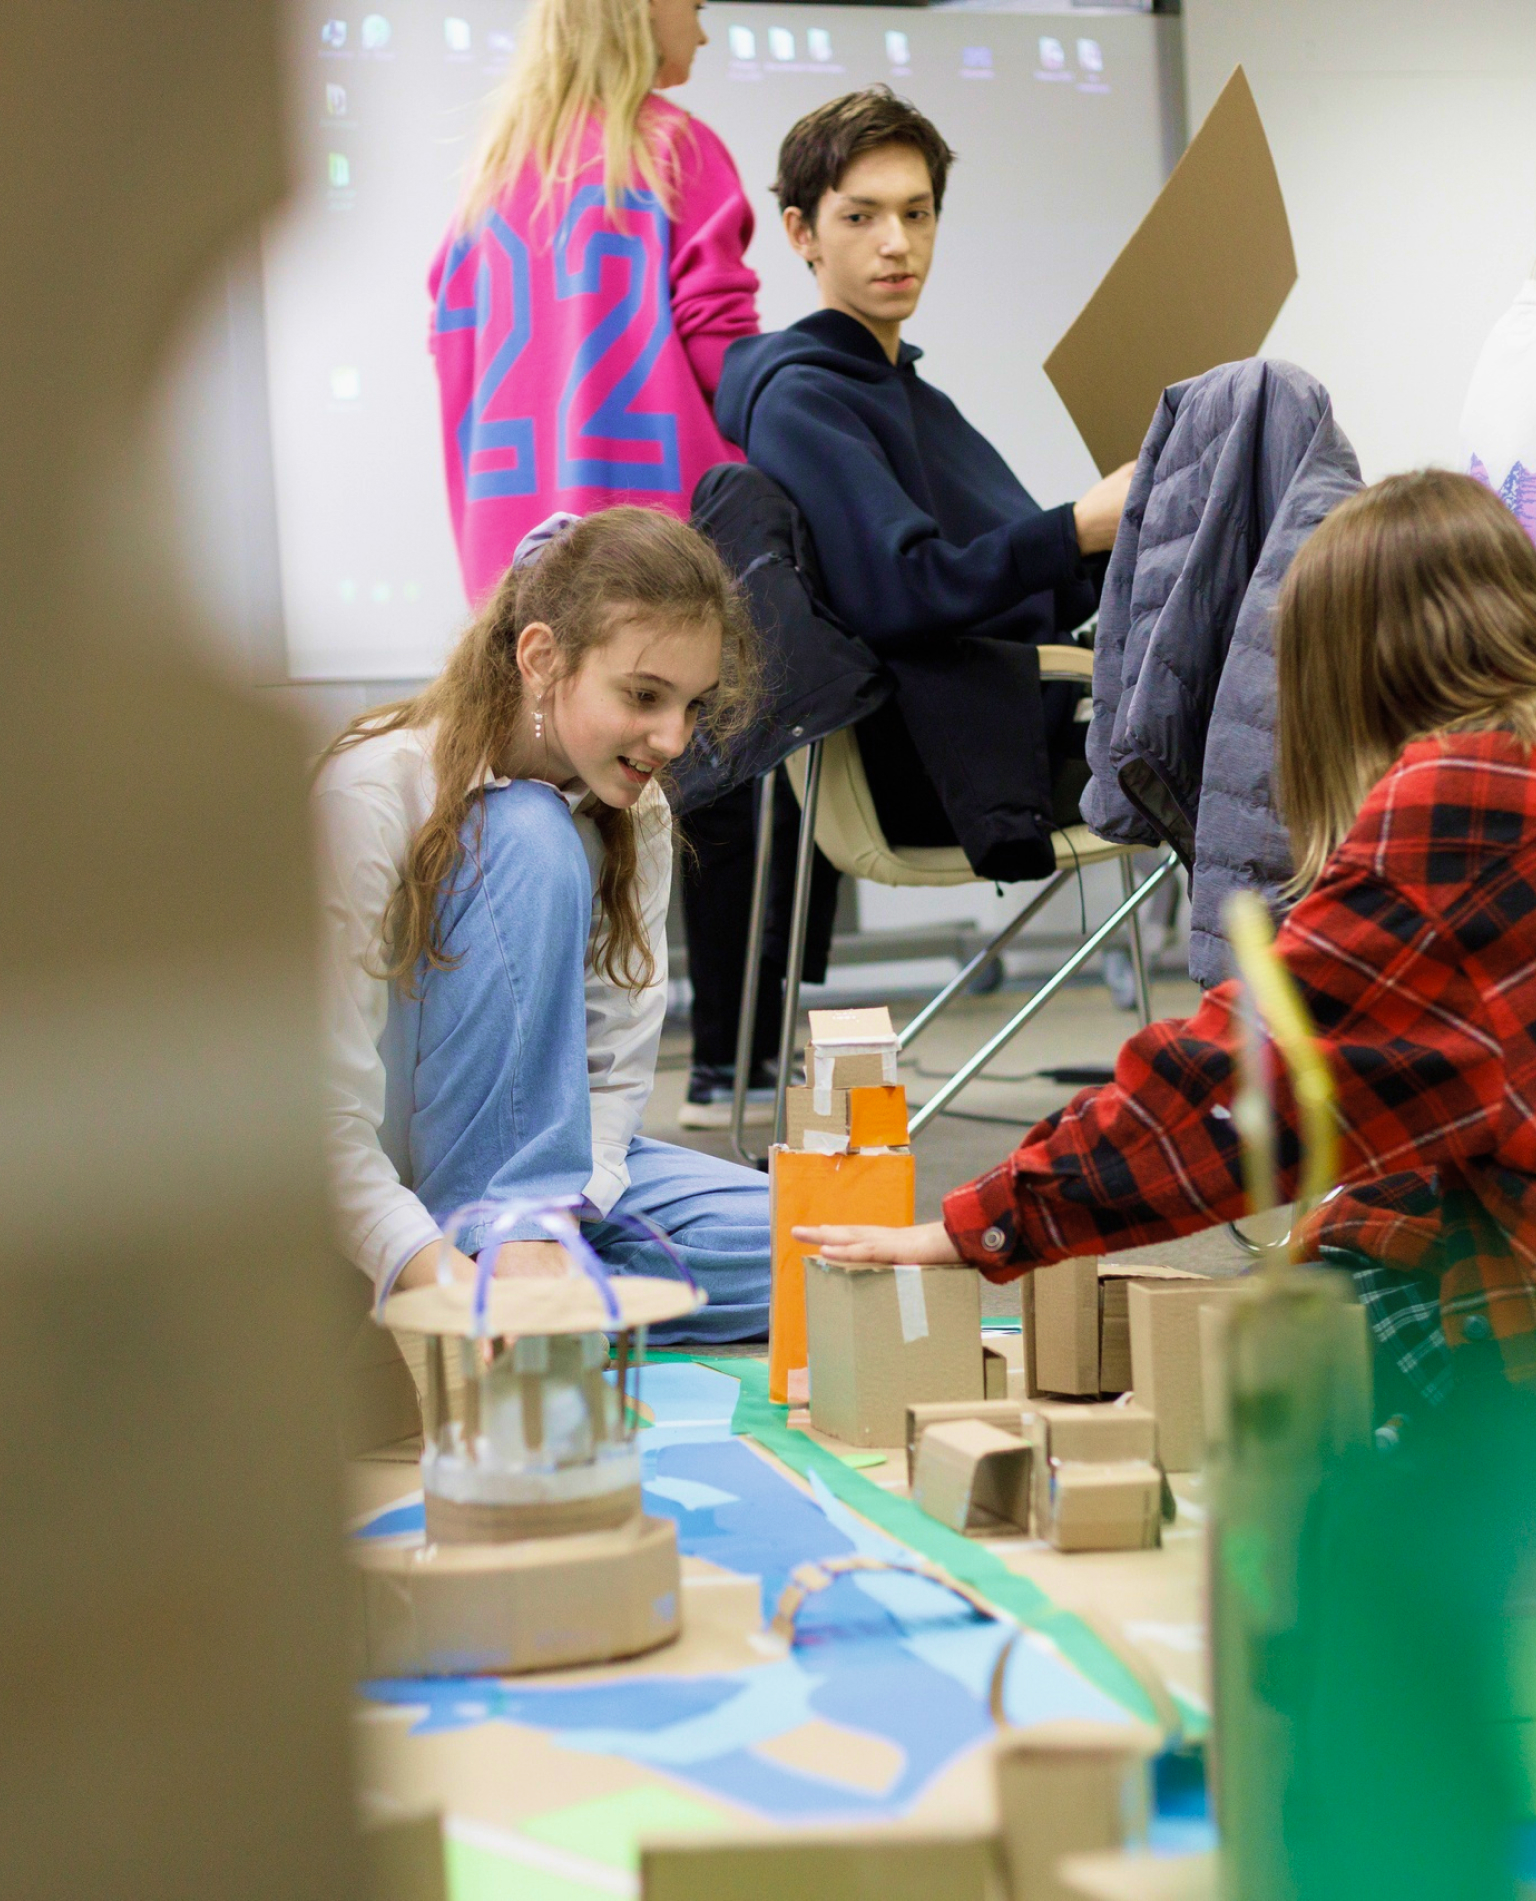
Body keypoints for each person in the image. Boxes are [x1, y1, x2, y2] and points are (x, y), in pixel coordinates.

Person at [798, 471, 1536, 1403]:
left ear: (1343, 674)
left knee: (1298, 1359)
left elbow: (1232, 1089)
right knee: (1359, 1223)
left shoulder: (1458, 807)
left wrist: (983, 1222)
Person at [314, 508, 771, 1341]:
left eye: (693, 705)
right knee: (529, 828)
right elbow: (316, 1125)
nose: (674, 738)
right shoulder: (370, 797)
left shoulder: (638, 811)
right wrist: (435, 1260)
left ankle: (533, 1288)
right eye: (644, 695)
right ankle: (492, 1268)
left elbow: (613, 1080)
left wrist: (557, 1219)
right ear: (540, 658)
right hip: (379, 1199)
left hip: (550, 1185)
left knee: (820, 1245)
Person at [713, 87, 1134, 862]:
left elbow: (1031, 594)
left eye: (917, 213)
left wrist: (1125, 529)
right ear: (801, 233)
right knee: (1249, 742)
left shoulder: (909, 394)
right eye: (860, 216)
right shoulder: (803, 400)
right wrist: (1077, 528)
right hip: (957, 762)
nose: (896, 243)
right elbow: (904, 592)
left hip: (1019, 723)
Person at [427, 0, 758, 607]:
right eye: (696, 6)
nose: (703, 33)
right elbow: (728, 365)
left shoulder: (488, 181)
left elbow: (455, 375)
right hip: (665, 565)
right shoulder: (675, 147)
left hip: (510, 576)